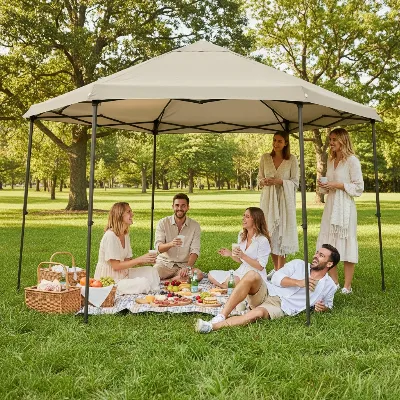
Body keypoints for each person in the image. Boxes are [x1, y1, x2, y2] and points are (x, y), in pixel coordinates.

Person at [195, 244, 340, 334]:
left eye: (321, 256)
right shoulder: (298, 264)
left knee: (257, 314)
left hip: (281, 306)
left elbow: (329, 305)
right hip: (269, 291)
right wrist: (299, 282)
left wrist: (323, 308)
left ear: (329, 264)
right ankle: (222, 315)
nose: (315, 256)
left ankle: (212, 327)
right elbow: (276, 277)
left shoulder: (329, 286)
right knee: (252, 274)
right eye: (316, 253)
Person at [316, 127, 364, 294]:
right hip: (331, 206)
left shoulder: (352, 161)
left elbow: (359, 188)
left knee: (347, 241)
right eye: (330, 140)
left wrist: (338, 185)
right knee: (330, 244)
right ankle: (335, 282)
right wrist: (324, 186)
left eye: (334, 139)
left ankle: (347, 286)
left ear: (343, 140)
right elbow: (329, 187)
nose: (331, 143)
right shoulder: (330, 161)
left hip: (346, 209)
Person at [258, 132, 299, 272]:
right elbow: (259, 178)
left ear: (286, 143)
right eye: (274, 140)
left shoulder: (292, 160)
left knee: (283, 233)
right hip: (268, 201)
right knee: (270, 233)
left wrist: (279, 181)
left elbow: (295, 182)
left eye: (279, 141)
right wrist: (263, 181)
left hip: (284, 201)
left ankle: (281, 270)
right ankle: (276, 269)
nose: (276, 144)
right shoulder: (265, 158)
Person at [208, 207, 271, 288]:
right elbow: (240, 261)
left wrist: (243, 256)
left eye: (247, 217)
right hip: (240, 271)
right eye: (244, 216)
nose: (243, 219)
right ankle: (233, 288)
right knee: (211, 275)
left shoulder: (263, 240)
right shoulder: (241, 234)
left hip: (255, 275)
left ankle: (235, 288)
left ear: (256, 220)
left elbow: (261, 266)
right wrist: (230, 254)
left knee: (232, 281)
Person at [94, 202, 157, 282]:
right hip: (110, 278)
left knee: (151, 271)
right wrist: (140, 259)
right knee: (142, 283)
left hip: (123, 273)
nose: (132, 214)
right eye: (128, 212)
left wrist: (146, 260)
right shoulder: (110, 236)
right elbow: (116, 266)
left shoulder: (125, 234)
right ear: (119, 216)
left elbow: (128, 262)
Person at [153, 193, 204, 281]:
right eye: (177, 205)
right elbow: (159, 248)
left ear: (188, 207)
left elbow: (195, 250)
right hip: (164, 264)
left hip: (183, 267)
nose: (179, 208)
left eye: (183, 206)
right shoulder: (163, 223)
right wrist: (171, 244)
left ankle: (170, 281)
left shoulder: (195, 226)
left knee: (198, 274)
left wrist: (188, 267)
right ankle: (177, 280)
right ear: (173, 206)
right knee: (152, 274)